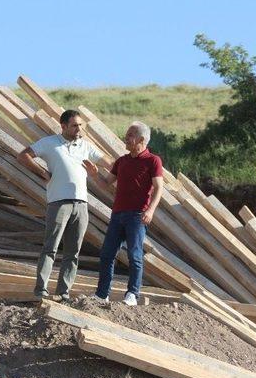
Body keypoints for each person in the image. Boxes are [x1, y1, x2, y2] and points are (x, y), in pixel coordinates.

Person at [17, 109, 110, 301]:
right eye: (75, 125)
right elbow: (23, 155)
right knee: (50, 247)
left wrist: (115, 167)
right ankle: (41, 290)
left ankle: (63, 292)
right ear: (64, 126)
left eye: (81, 125)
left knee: (73, 251)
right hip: (58, 202)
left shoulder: (85, 146)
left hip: (81, 203)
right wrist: (42, 172)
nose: (79, 129)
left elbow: (108, 162)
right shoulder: (49, 143)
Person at [84, 121, 164, 306]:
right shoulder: (122, 161)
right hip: (118, 214)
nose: (125, 138)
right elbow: (106, 184)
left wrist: (150, 210)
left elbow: (159, 188)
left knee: (134, 256)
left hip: (137, 215)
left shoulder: (153, 160)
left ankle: (132, 295)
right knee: (107, 254)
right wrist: (94, 174)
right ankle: (102, 294)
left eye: (130, 135)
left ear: (141, 139)